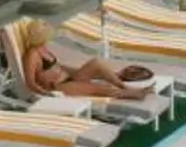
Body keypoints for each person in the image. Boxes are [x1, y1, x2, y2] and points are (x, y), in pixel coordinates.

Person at [17, 20, 155, 100]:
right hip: (59, 87)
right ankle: (136, 94)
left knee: (96, 63)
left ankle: (123, 84)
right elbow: (30, 83)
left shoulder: (43, 47)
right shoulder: (32, 55)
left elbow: (57, 67)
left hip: (69, 78)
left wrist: (78, 72)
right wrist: (48, 95)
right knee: (97, 87)